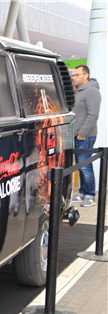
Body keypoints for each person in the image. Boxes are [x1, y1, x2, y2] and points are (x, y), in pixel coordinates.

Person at [71, 65, 101, 207]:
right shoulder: (79, 91)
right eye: (73, 75)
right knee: (81, 166)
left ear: (86, 75)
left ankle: (90, 195)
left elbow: (92, 115)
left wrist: (82, 134)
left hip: (85, 136)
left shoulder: (92, 91)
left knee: (85, 167)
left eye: (76, 75)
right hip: (77, 136)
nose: (74, 77)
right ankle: (82, 193)